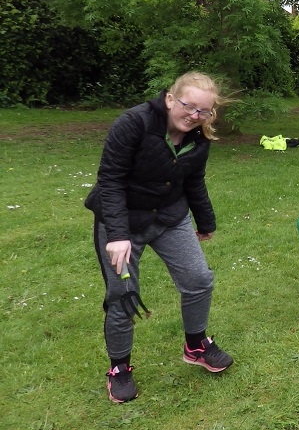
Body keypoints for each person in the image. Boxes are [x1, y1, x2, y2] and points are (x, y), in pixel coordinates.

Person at [86, 72, 231, 404]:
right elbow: (110, 179)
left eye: (203, 111)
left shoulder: (198, 137)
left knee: (199, 278)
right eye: (188, 106)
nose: (194, 116)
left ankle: (195, 345)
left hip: (168, 217)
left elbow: (194, 181)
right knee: (123, 294)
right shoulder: (134, 123)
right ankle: (119, 369)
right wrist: (119, 234)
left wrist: (205, 221)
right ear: (169, 98)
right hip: (122, 221)